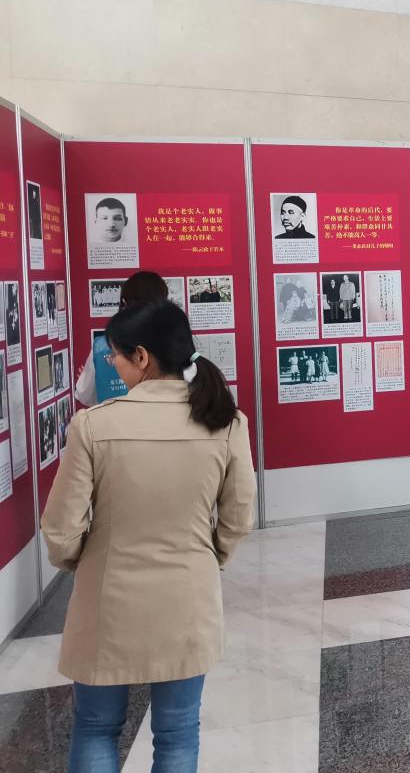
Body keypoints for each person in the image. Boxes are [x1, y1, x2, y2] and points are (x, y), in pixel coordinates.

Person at [41, 300, 255, 772]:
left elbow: (59, 528)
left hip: (107, 599)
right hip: (188, 599)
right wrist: (210, 556)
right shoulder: (226, 422)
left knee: (96, 727)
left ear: (141, 357)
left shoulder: (95, 425)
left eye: (115, 355)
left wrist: (82, 560)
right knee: (178, 734)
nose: (111, 364)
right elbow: (239, 517)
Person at [75, 271, 169, 408]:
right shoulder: (174, 343)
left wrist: (88, 376)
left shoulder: (102, 346)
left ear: (124, 302)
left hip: (112, 419)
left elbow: (84, 394)